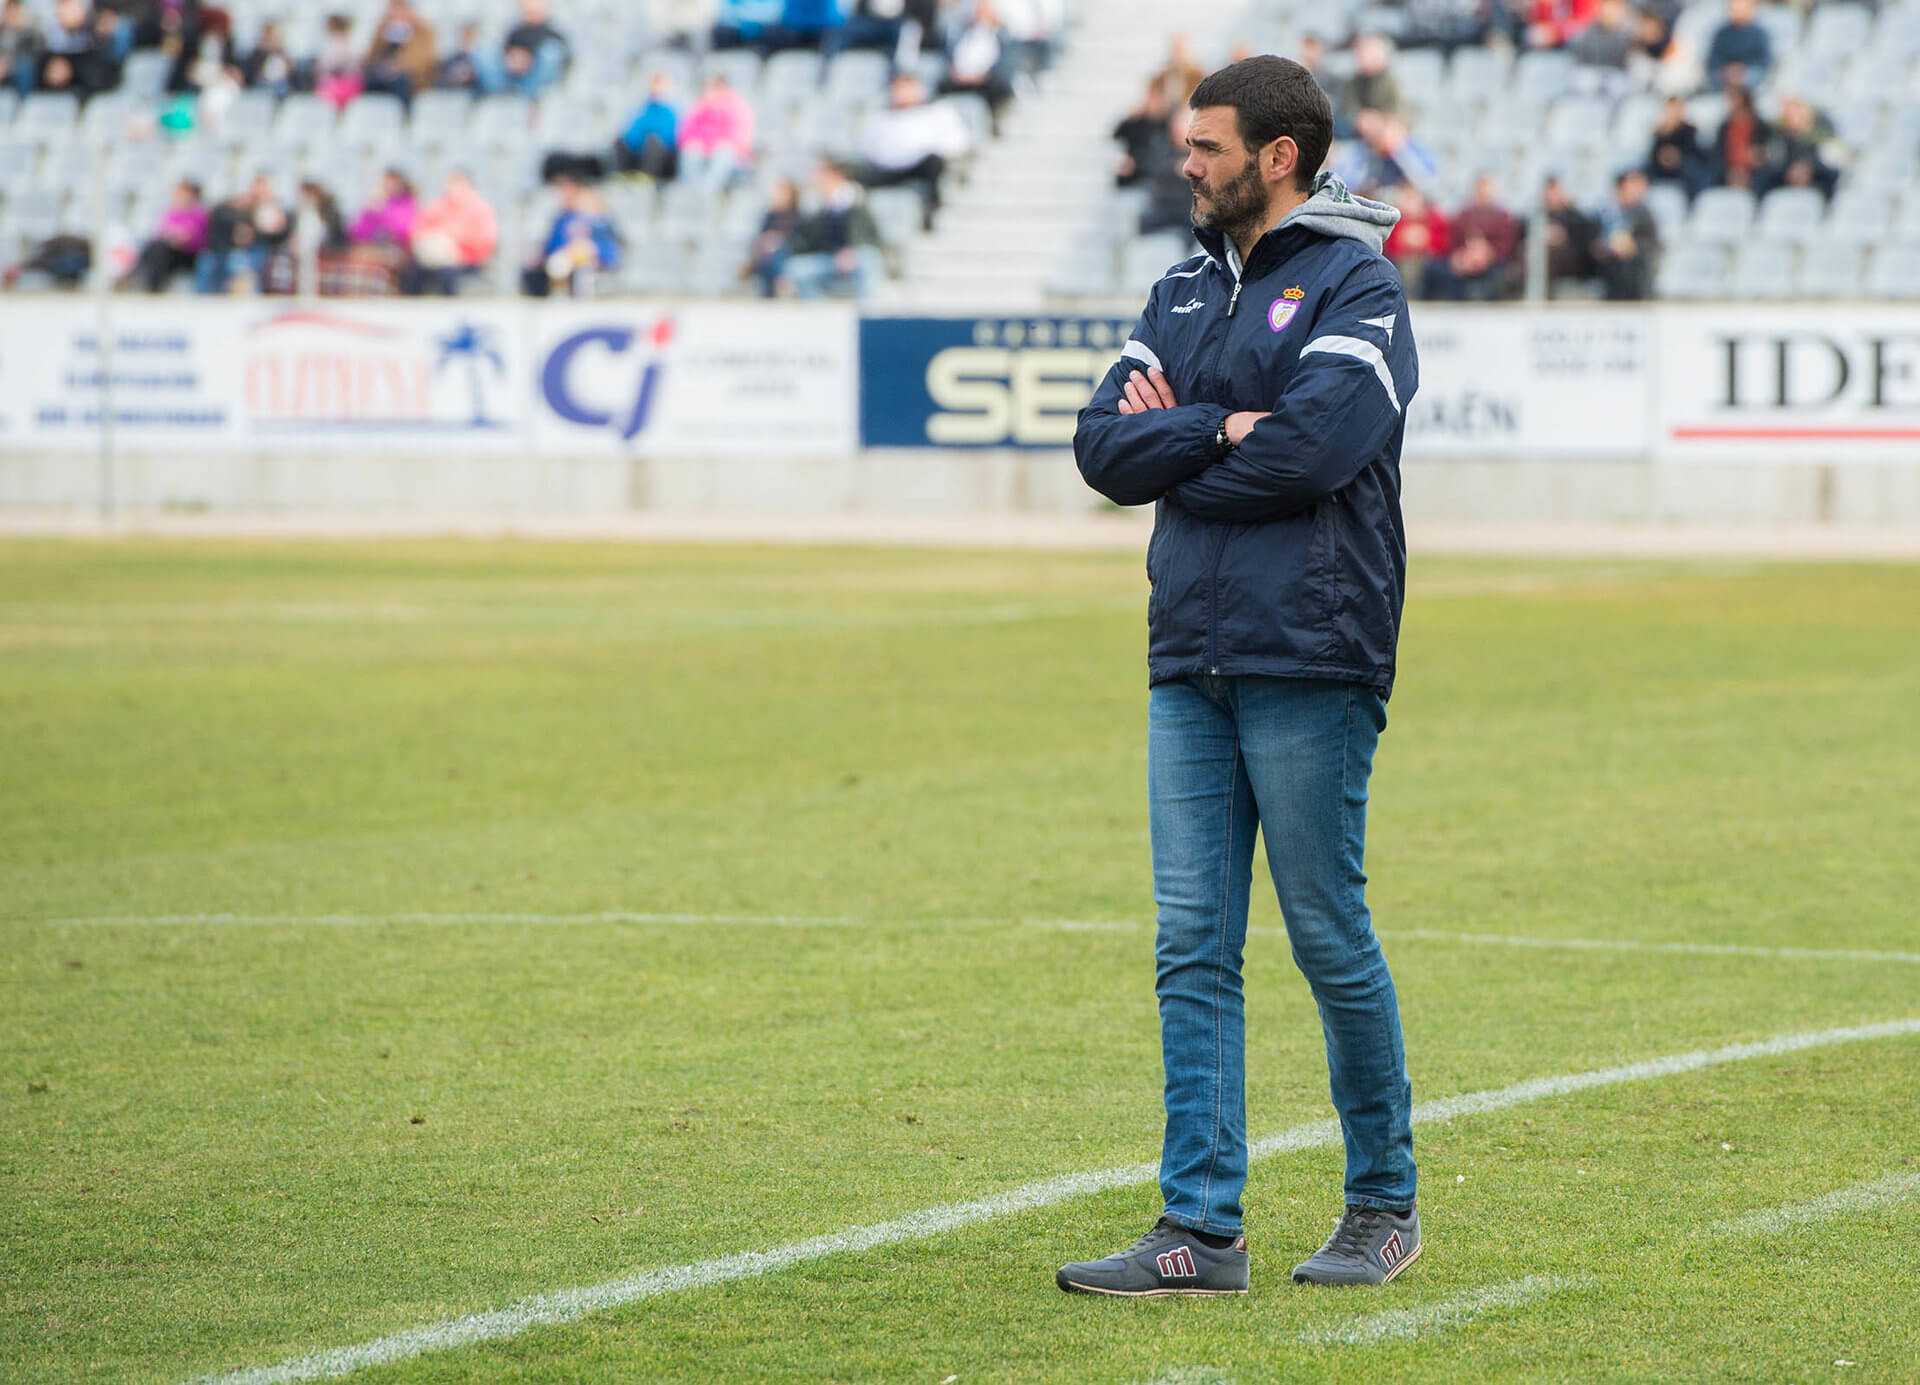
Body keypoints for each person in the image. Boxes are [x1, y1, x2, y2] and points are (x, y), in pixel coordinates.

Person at [1064, 54, 1421, 1298]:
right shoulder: (1177, 287)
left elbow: (1319, 449)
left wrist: (1186, 450)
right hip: (1189, 656)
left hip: (1311, 648)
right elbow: (1102, 448)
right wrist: (1217, 427)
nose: (1186, 162)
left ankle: (1383, 1200)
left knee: (1326, 932)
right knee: (1192, 944)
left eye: (1207, 145)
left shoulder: (1357, 284)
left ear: (1278, 155)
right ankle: (1199, 1232)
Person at [855, 72, 971, 229]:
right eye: (897, 89)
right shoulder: (881, 118)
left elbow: (956, 143)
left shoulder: (937, 112)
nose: (901, 94)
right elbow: (868, 149)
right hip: (889, 167)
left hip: (920, 164)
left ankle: (931, 209)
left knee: (934, 163)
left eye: (906, 88)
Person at [780, 158, 884, 297]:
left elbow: (870, 236)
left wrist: (852, 252)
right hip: (830, 259)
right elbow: (808, 241)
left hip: (856, 255)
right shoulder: (819, 206)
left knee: (869, 260)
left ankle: (867, 312)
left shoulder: (857, 199)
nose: (817, 179)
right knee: (796, 269)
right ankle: (819, 312)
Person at [404, 168, 496, 294]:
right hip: (435, 257)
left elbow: (485, 241)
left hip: (466, 259)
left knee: (447, 275)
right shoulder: (438, 206)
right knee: (413, 272)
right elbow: (418, 229)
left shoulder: (480, 209)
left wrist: (456, 239)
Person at [523, 177, 620, 296]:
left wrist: (591, 249)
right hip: (562, 259)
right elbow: (552, 245)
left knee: (577, 262)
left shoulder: (600, 222)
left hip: (590, 262)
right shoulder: (562, 219)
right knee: (555, 264)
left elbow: (609, 250)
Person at [196, 174, 290, 293]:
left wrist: (254, 231)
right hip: (227, 248)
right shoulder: (237, 205)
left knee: (242, 262)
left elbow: (275, 232)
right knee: (209, 261)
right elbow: (220, 217)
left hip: (258, 250)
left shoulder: (272, 209)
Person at [1435, 171, 1520, 299]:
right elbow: (1453, 241)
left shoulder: (1503, 217)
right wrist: (1464, 255)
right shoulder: (1463, 215)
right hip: (1465, 259)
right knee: (1443, 270)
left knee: (1501, 273)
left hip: (1493, 261)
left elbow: (1506, 245)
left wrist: (1486, 254)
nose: (1483, 192)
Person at [124, 177, 209, 292]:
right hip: (169, 250)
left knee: (159, 249)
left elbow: (187, 237)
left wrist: (173, 236)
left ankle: (149, 283)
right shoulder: (172, 212)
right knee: (155, 247)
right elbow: (161, 232)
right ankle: (142, 278)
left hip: (188, 255)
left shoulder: (198, 214)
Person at [677, 72, 755, 192]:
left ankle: (707, 194)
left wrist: (715, 146)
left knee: (722, 152)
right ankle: (689, 193)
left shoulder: (738, 106)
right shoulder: (700, 107)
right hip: (703, 151)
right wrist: (700, 145)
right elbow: (686, 133)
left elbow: (740, 137)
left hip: (729, 154)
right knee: (691, 151)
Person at [1589, 166, 1659, 299]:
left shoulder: (1644, 214)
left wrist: (1633, 246)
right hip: (1605, 265)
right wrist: (1603, 247)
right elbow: (1592, 240)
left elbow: (1652, 243)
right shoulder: (1603, 213)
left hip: (1633, 266)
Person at [1758, 95, 1838, 201]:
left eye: (1795, 110)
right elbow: (1776, 158)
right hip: (1786, 176)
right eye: (1788, 111)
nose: (1792, 115)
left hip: (1816, 175)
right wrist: (1790, 170)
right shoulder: (1779, 135)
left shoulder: (1821, 132)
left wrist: (1807, 167)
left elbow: (1826, 154)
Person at [481, 0, 568, 96]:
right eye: (527, 6)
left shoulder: (552, 32)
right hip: (512, 74)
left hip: (535, 77)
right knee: (483, 53)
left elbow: (561, 56)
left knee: (551, 52)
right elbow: (504, 51)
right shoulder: (516, 32)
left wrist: (528, 58)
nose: (530, 8)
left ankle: (532, 93)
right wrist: (513, 59)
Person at [363, 0, 437, 104]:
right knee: (370, 79)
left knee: (400, 82)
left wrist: (398, 66)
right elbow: (372, 55)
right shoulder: (383, 29)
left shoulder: (423, 30)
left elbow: (423, 58)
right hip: (383, 71)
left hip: (409, 76)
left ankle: (403, 115)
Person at [744, 174, 802, 295]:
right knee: (768, 254)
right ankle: (780, 283)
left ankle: (780, 282)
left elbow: (797, 238)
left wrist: (777, 241)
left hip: (786, 251)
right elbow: (761, 235)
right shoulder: (769, 216)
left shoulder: (797, 215)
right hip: (766, 252)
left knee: (776, 251)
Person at [617, 71, 680, 178]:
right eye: (654, 85)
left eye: (660, 85)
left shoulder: (672, 110)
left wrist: (650, 134)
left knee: (653, 140)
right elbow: (632, 132)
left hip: (664, 154)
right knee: (619, 141)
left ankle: (647, 176)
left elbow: (672, 136)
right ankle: (623, 174)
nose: (656, 89)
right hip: (642, 148)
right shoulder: (644, 108)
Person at [1113, 77, 1172, 189]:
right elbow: (1116, 136)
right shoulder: (1136, 121)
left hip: (1153, 184)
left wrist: (1136, 164)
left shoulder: (1168, 124)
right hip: (1129, 181)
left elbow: (1163, 157)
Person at [1540, 174, 1597, 292]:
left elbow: (1584, 243)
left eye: (1554, 191)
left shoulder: (1575, 216)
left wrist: (1561, 238)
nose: (1551, 196)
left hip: (1573, 263)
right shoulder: (1537, 215)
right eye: (1548, 191)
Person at [1646, 94, 1706, 201]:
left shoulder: (1689, 130)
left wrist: (1676, 157)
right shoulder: (1659, 132)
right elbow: (1654, 155)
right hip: (1661, 168)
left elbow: (1693, 152)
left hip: (1683, 168)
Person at [1712, 81, 1768, 190]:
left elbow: (1763, 154)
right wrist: (1730, 172)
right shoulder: (1724, 127)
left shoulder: (1759, 126)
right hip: (1728, 172)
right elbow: (1718, 154)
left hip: (1754, 173)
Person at [1704, 0, 1769, 92]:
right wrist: (1727, 71)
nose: (1740, 11)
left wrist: (1742, 71)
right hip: (1725, 77)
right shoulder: (1722, 33)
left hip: (1749, 75)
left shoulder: (1759, 34)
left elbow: (1763, 62)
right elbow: (1713, 61)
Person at [0, 0, 42, 99]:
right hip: (4, 67)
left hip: (20, 67)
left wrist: (9, 64)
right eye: (9, 11)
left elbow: (34, 53)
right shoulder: (2, 31)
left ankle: (24, 103)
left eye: (14, 11)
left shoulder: (29, 30)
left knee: (24, 68)